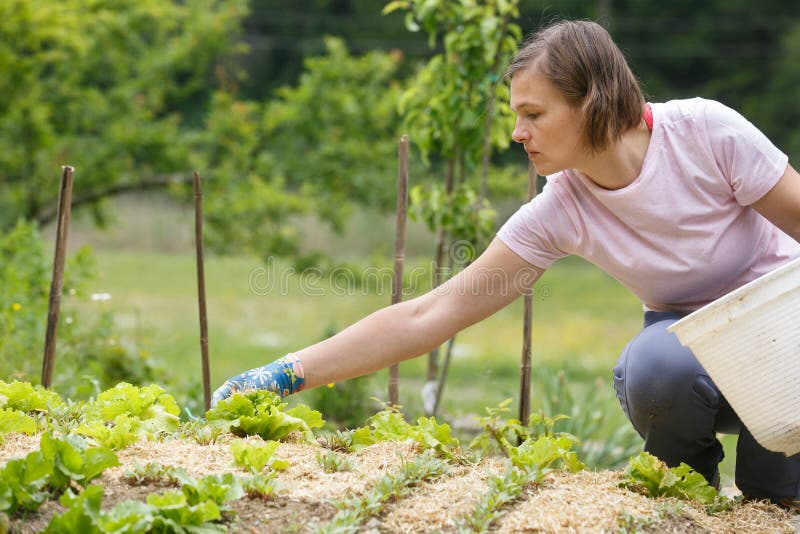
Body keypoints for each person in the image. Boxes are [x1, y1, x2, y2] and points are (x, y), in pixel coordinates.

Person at [211, 20, 800, 509]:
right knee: (654, 369)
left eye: (533, 114)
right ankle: (689, 506)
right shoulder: (560, 209)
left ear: (591, 102)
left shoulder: (704, 133)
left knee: (776, 498)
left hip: (786, 335)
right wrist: (284, 373)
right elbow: (429, 314)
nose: (517, 132)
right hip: (693, 356)